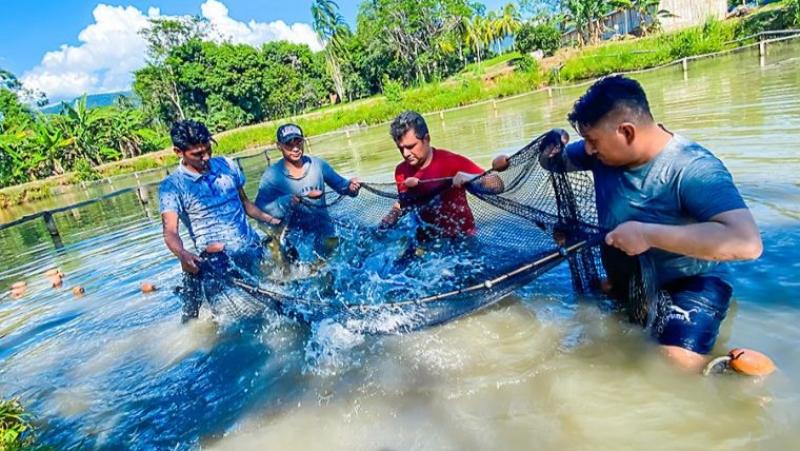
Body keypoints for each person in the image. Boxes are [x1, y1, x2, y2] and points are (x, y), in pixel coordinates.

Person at [539, 75, 763, 372]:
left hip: (691, 281)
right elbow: (553, 162)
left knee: (673, 363)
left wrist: (647, 235)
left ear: (627, 132)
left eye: (593, 141)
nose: (588, 149)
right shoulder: (600, 154)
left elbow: (747, 242)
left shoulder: (693, 167)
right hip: (631, 280)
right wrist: (545, 148)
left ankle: (740, 371)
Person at [159, 119, 279, 321]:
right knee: (234, 320)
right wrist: (182, 254)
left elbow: (246, 204)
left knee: (275, 304)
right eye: (198, 154)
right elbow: (170, 231)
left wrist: (273, 221)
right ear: (179, 152)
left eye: (208, 149)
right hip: (218, 265)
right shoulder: (172, 186)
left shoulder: (227, 165)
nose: (206, 157)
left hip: (252, 249)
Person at [379, 111, 504, 240]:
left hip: (462, 238)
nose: (406, 153)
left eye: (411, 146)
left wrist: (469, 178)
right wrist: (391, 216)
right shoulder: (400, 171)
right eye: (401, 148)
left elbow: (498, 185)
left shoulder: (451, 162)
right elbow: (405, 202)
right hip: (426, 239)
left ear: (426, 139)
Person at [254, 123, 360, 262]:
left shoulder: (317, 165)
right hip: (296, 240)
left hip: (325, 232)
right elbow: (260, 210)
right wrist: (287, 202)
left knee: (341, 260)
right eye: (289, 144)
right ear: (279, 146)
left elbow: (342, 186)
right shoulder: (272, 176)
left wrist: (351, 187)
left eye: (298, 142)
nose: (295, 148)